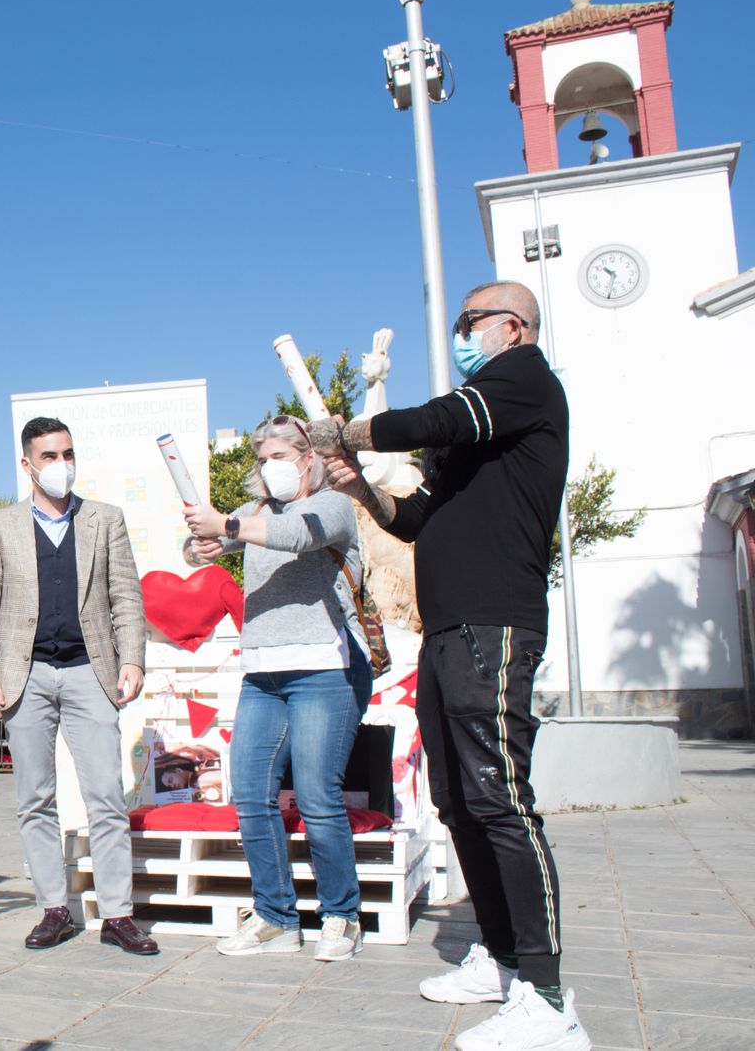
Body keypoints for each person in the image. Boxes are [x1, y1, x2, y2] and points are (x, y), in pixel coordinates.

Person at [308, 280, 591, 1051]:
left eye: (469, 322)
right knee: (458, 801)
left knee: (500, 798)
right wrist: (360, 485)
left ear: (511, 326)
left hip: (495, 624)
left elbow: (434, 416)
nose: (461, 334)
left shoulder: (524, 378)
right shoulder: (475, 433)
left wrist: (350, 430)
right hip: (446, 631)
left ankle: (549, 995)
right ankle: (501, 961)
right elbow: (417, 517)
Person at [181, 414, 373, 963]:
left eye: (282, 456)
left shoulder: (331, 505)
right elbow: (198, 543)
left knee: (317, 797)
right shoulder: (252, 513)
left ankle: (341, 915)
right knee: (251, 797)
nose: (271, 467)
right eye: (263, 458)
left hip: (325, 670)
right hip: (262, 674)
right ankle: (274, 917)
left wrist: (227, 528)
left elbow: (293, 535)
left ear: (308, 458)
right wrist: (200, 547)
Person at [0, 416, 156, 955]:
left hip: (88, 672)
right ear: (27, 464)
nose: (61, 465)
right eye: (48, 456)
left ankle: (118, 914)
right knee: (34, 799)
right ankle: (54, 908)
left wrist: (134, 659)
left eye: (67, 453)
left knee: (105, 797)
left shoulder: (104, 519)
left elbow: (126, 597)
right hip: (23, 676)